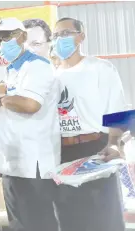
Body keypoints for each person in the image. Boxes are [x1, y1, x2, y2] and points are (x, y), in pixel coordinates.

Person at [51, 17, 126, 231]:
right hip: (63, 154)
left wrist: (114, 143)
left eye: (66, 33)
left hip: (97, 150)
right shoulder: (52, 77)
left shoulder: (100, 68)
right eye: (56, 36)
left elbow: (117, 112)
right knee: (70, 219)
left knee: (103, 218)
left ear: (81, 36)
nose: (60, 39)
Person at [0, 18, 60, 231]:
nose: (3, 44)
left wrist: (0, 98)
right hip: (14, 164)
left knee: (36, 225)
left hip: (32, 166)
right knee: (18, 225)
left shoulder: (36, 65)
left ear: (23, 37)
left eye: (8, 37)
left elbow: (29, 104)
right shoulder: (13, 71)